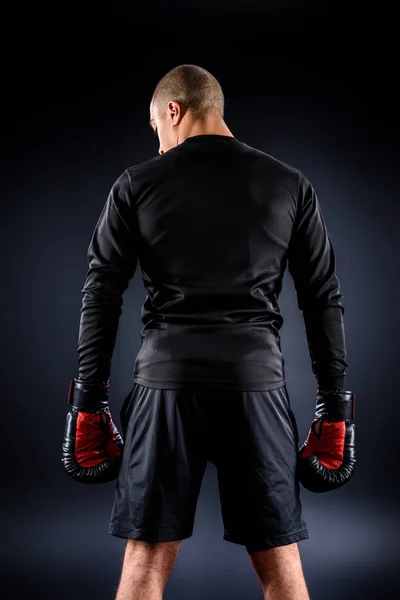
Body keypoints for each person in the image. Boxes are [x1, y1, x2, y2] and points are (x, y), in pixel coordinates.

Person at [67, 64, 353, 600]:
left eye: (156, 126)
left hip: (166, 385)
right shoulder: (288, 183)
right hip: (255, 385)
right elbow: (322, 298)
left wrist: (88, 401)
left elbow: (101, 295)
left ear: (173, 110)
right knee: (280, 563)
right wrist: (335, 407)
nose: (157, 143)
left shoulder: (137, 184)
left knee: (145, 561)